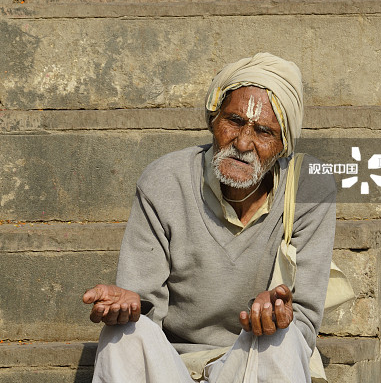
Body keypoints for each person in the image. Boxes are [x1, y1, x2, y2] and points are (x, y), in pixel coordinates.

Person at [83, 52, 336, 383]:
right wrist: (130, 307)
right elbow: (144, 308)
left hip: (249, 360)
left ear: (283, 145)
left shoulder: (310, 187)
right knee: (121, 336)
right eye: (233, 121)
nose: (243, 143)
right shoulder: (164, 181)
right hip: (173, 363)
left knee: (281, 338)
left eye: (263, 131)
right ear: (213, 120)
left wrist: (277, 315)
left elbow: (303, 322)